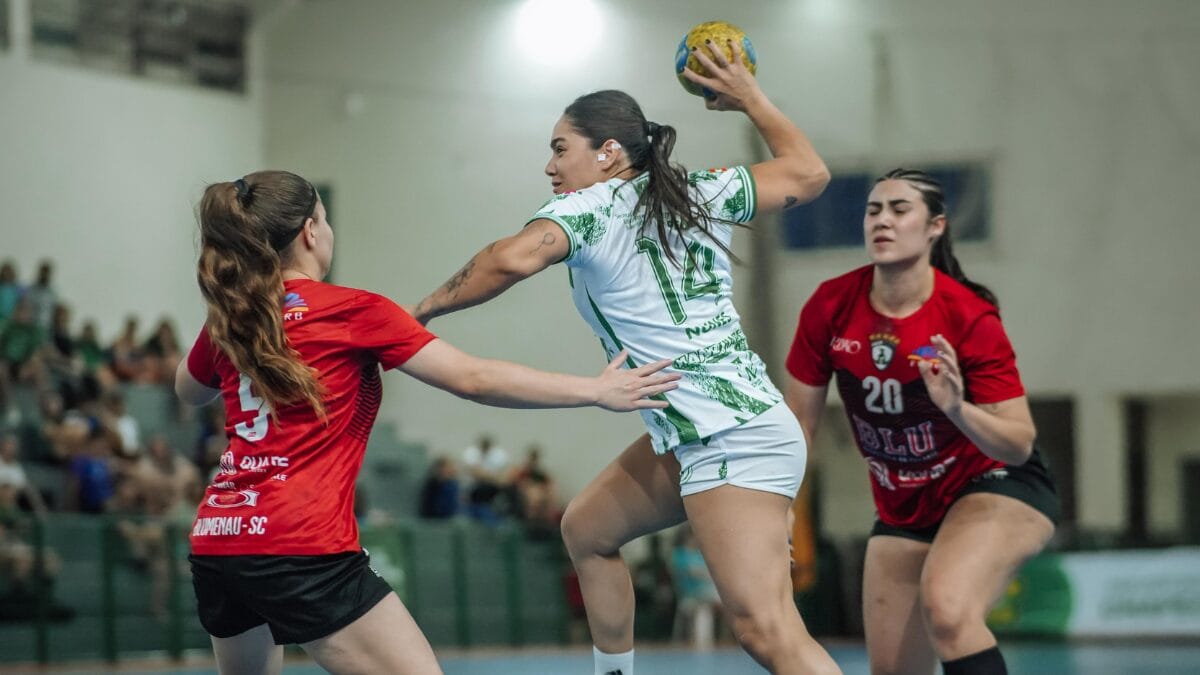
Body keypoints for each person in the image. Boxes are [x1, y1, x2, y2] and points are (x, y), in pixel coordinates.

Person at [408, 41, 841, 675]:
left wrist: (419, 312)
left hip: (728, 436)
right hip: (705, 427)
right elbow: (809, 174)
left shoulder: (591, 206)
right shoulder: (700, 190)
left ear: (607, 153)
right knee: (587, 530)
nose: (550, 165)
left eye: (561, 148)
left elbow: (508, 258)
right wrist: (750, 98)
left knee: (766, 632)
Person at [174, 170, 679, 675]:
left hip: (220, 540)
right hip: (300, 544)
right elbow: (474, 378)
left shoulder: (233, 320)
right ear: (310, 231)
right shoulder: (353, 309)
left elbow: (188, 389)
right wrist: (596, 390)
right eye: (325, 222)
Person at [783, 168, 1059, 675]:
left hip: (994, 481)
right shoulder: (830, 305)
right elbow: (799, 419)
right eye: (872, 210)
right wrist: (780, 502)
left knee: (949, 610)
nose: (881, 221)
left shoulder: (968, 317)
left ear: (935, 227)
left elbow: (1018, 443)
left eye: (898, 209)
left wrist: (956, 407)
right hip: (904, 500)